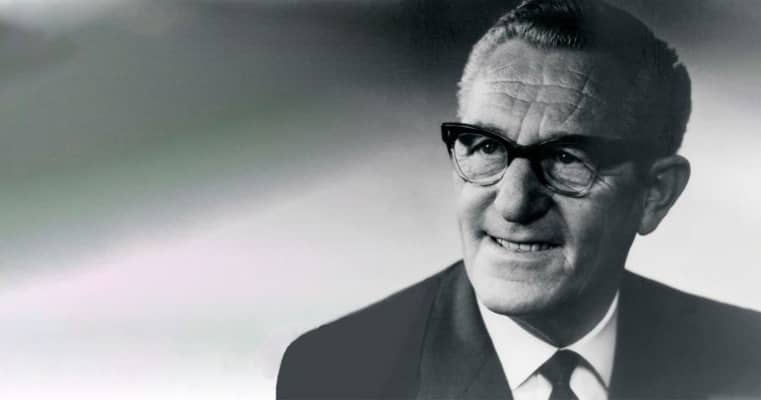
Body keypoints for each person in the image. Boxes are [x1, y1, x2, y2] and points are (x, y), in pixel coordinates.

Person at [276, 0, 761, 398]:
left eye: (567, 159)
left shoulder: (748, 362)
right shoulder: (339, 377)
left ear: (656, 194)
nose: (513, 203)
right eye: (488, 148)